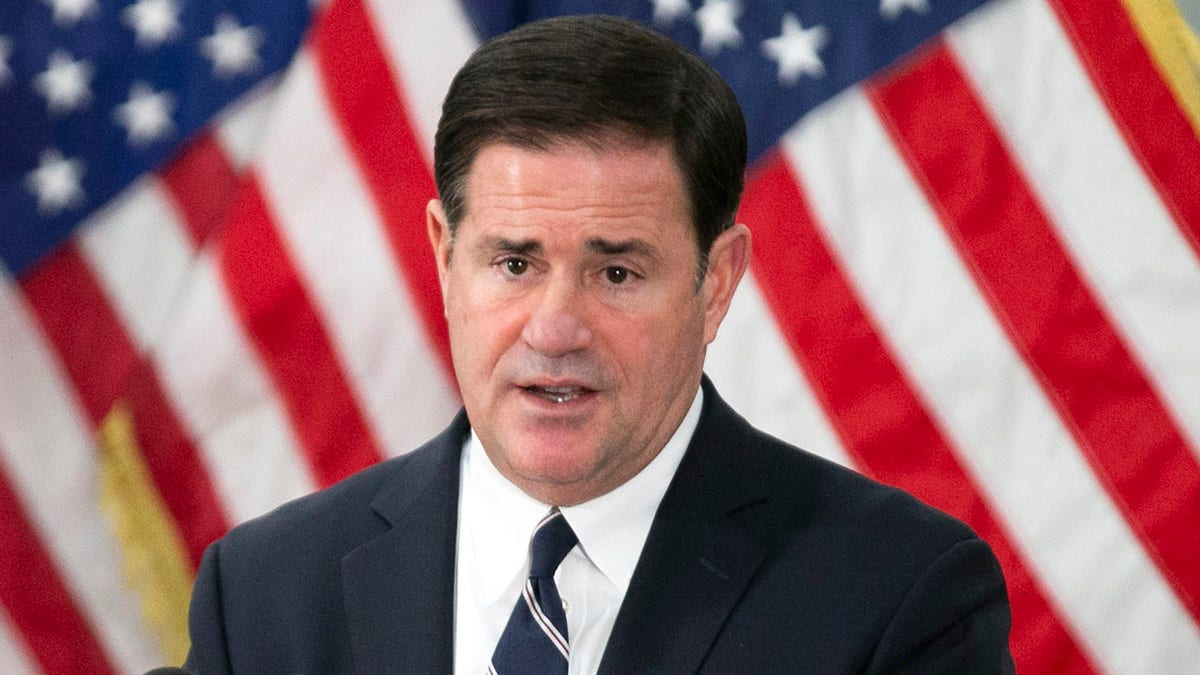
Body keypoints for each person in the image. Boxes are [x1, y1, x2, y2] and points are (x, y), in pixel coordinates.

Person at [183, 14, 1014, 674]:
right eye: (514, 263)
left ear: (716, 280)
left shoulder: (895, 599)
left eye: (616, 274)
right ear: (445, 256)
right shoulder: (263, 596)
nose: (554, 329)